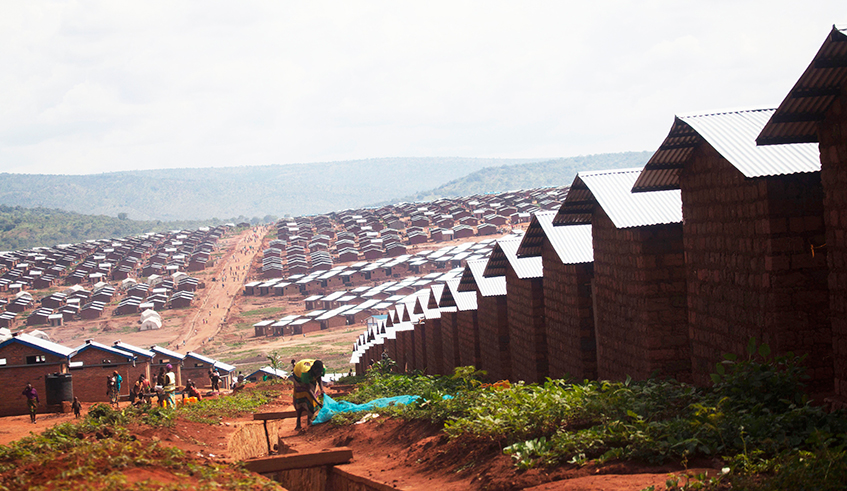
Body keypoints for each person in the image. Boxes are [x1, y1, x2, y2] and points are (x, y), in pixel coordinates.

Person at [291, 359, 326, 431]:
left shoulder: (322, 369)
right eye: (318, 372)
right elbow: (308, 390)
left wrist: (322, 390)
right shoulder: (305, 373)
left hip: (309, 374)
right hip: (298, 377)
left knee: (313, 396)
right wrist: (318, 402)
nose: (319, 373)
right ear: (314, 369)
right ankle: (298, 421)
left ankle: (309, 419)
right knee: (300, 396)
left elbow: (319, 379)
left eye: (320, 372)